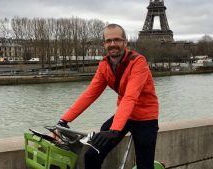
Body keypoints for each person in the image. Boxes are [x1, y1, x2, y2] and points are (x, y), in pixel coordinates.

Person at [57, 23, 159, 169]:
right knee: (91, 156)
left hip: (145, 117)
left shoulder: (138, 62)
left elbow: (130, 97)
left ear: (125, 42)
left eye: (117, 40)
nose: (113, 44)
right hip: (124, 116)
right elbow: (89, 95)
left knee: (145, 166)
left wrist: (115, 130)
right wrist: (64, 119)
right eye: (108, 41)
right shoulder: (104, 65)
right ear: (103, 44)